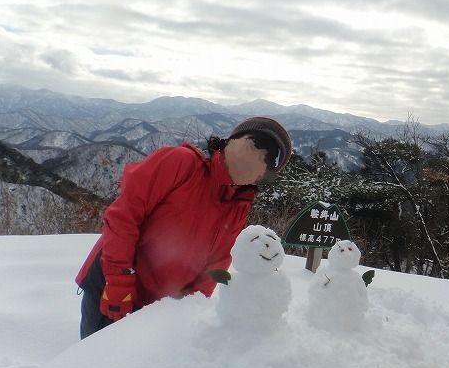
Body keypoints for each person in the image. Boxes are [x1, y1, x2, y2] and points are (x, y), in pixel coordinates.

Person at [75, 116, 292, 339]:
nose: (258, 171)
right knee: (99, 366)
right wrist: (119, 279)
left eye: (267, 165)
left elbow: (217, 263)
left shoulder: (238, 204)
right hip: (112, 285)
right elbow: (124, 217)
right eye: (252, 144)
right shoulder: (182, 163)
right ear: (233, 142)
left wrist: (188, 308)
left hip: (160, 307)